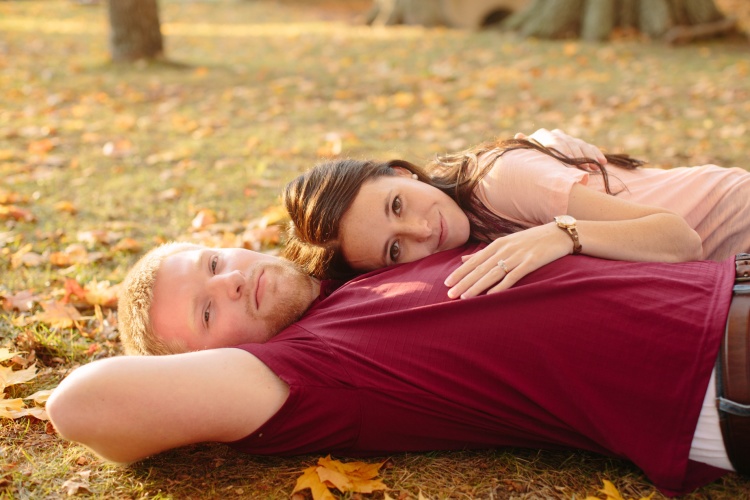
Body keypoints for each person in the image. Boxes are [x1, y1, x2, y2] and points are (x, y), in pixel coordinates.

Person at [48, 241, 750, 496]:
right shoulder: (300, 371)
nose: (229, 280)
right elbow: (80, 406)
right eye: (205, 311)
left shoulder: (358, 272)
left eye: (213, 262)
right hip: (715, 369)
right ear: (206, 367)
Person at [283, 129, 750, 298]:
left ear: (404, 173)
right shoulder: (465, 240)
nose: (423, 229)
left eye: (397, 204)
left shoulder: (497, 181)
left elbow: (679, 239)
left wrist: (561, 235)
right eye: (395, 247)